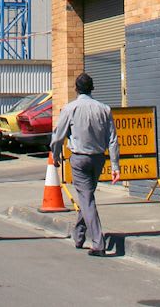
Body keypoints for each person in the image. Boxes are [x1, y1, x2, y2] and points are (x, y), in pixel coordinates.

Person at [50, 73, 119, 256]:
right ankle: (79, 235)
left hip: (79, 159)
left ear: (76, 88)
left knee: (86, 198)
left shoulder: (70, 109)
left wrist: (55, 156)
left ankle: (98, 243)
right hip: (98, 158)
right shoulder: (104, 109)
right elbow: (112, 139)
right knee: (86, 197)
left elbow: (58, 136)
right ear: (92, 88)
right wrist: (115, 166)